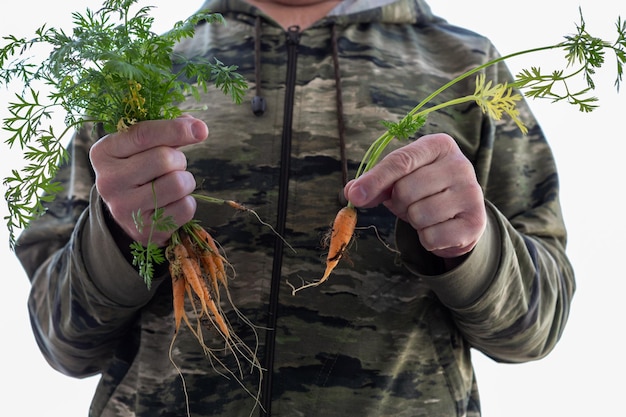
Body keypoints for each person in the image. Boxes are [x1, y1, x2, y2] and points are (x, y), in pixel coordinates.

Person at [15, 0, 576, 416]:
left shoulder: (466, 67)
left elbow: (534, 331)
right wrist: (118, 238)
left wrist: (468, 251)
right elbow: (63, 342)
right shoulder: (142, 76)